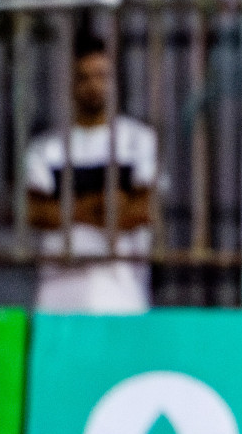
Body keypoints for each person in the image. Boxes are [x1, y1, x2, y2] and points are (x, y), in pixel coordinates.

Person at [25, 34, 158, 313]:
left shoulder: (138, 141)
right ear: (70, 84)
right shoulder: (46, 148)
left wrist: (66, 210)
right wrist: (103, 206)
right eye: (83, 77)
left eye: (101, 75)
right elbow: (37, 212)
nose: (93, 85)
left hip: (123, 288)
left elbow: (142, 209)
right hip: (58, 289)